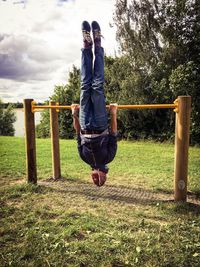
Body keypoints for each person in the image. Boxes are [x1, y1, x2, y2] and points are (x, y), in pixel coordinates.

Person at [71, 20, 118, 187]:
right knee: (96, 86)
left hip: (84, 122)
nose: (96, 179)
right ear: (104, 175)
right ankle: (97, 44)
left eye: (94, 180)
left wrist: (75, 115)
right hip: (99, 124)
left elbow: (78, 136)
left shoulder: (84, 158)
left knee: (85, 86)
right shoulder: (109, 157)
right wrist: (113, 114)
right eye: (99, 180)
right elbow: (113, 134)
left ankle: (86, 44)